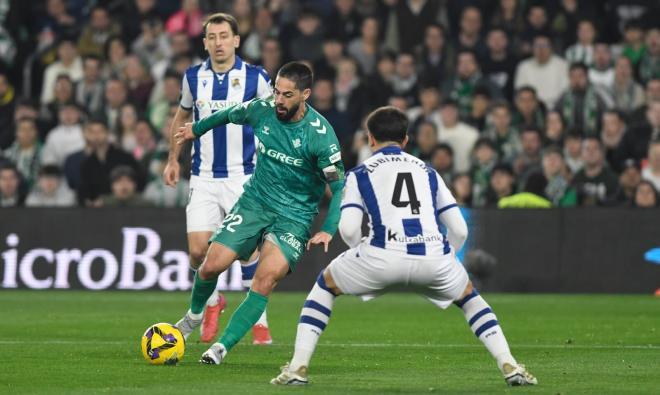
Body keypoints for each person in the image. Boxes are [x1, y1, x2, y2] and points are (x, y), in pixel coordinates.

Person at [270, 106, 537, 387]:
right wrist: (448, 256)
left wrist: (361, 254)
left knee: (325, 285)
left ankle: (298, 367)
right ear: (406, 140)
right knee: (471, 299)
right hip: (434, 258)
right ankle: (509, 364)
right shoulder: (429, 172)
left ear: (370, 139)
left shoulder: (359, 174)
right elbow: (459, 228)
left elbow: (348, 228)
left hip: (381, 256)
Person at [173, 61, 345, 365]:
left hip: (294, 217)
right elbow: (228, 114)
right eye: (277, 92)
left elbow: (339, 188)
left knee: (264, 280)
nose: (278, 100)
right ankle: (193, 317)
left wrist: (329, 228)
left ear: (305, 94)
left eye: (287, 95)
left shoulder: (320, 136)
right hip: (255, 203)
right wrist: (195, 130)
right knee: (210, 266)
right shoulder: (262, 108)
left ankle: (220, 348)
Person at [162, 13, 274, 345]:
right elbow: (181, 117)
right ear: (205, 42)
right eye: (212, 37)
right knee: (198, 251)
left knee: (248, 250)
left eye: (224, 36)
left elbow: (273, 122)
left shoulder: (256, 78)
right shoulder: (193, 77)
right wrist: (172, 159)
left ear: (236, 40)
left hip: (244, 176)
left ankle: (260, 321)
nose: (218, 43)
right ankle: (213, 304)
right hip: (204, 176)